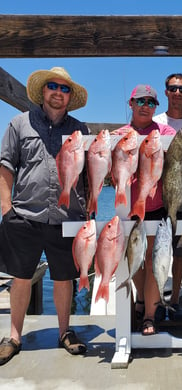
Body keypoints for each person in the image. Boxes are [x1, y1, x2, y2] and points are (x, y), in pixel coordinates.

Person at [0, 67, 89, 366]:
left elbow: (90, 173)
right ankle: (13, 336)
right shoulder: (18, 124)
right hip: (24, 215)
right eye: (53, 86)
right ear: (43, 91)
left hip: (67, 217)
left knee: (64, 279)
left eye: (64, 89)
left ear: (69, 96)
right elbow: (5, 167)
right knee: (21, 277)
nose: (58, 93)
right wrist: (6, 211)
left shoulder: (81, 130)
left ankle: (65, 332)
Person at [112, 84, 176, 335]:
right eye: (141, 101)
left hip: (157, 206)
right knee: (133, 262)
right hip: (127, 208)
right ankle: (141, 299)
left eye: (151, 102)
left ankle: (149, 315)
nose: (145, 106)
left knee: (152, 261)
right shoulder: (120, 134)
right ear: (131, 103)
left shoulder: (165, 132)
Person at [153, 73, 182, 321]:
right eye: (173, 88)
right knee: (157, 251)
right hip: (159, 197)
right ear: (166, 92)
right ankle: (155, 301)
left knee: (179, 252)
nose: (177, 93)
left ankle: (176, 297)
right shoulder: (156, 121)